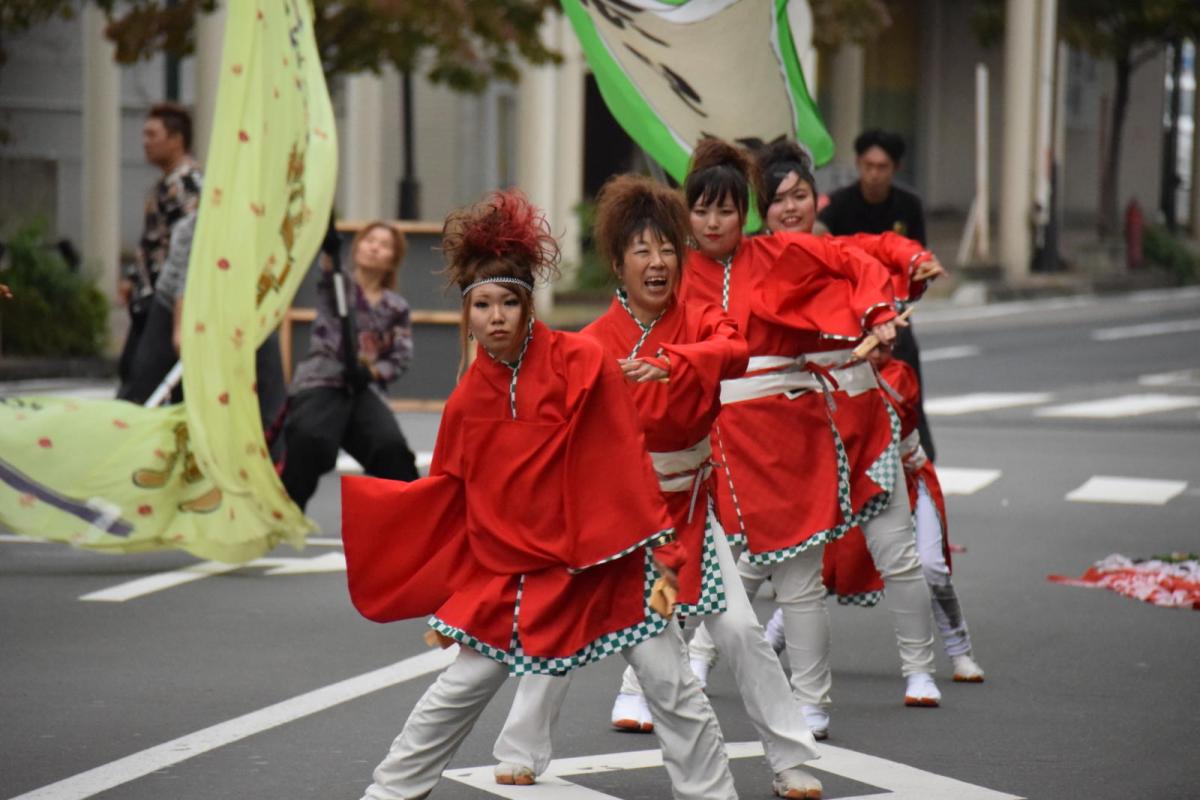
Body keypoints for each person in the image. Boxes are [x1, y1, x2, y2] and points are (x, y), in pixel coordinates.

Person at [340, 189, 739, 800]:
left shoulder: (581, 361)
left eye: (508, 302)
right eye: (482, 305)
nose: (495, 316)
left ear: (528, 307)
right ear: (467, 316)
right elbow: (453, 501)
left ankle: (713, 795)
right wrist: (452, 596)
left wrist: (662, 553)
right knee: (461, 685)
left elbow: (623, 465)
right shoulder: (467, 400)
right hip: (520, 572)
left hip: (611, 559)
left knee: (671, 683)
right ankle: (388, 793)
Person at [488, 176, 823, 799]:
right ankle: (520, 748)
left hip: (690, 509)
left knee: (742, 633)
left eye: (667, 248)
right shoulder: (590, 343)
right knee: (563, 621)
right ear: (617, 263)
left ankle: (791, 758)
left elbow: (736, 349)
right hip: (614, 512)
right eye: (641, 250)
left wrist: (673, 360)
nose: (658, 261)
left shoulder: (700, 317)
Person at [680, 138, 941, 742]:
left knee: (888, 555)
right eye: (779, 198)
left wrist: (890, 297)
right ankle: (671, 672)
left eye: (800, 195)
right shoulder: (679, 269)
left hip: (833, 422)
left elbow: (870, 256)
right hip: (718, 437)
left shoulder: (790, 255)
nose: (791, 206)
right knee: (712, 564)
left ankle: (911, 669)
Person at [823, 343, 986, 682]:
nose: (879, 347)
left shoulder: (899, 373)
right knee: (818, 573)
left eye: (884, 340)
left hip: (910, 479)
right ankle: (767, 645)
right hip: (861, 484)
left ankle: (960, 652)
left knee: (931, 567)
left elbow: (889, 412)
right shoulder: (837, 376)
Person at [279, 221, 419, 510]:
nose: (375, 247)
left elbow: (401, 355)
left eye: (384, 244)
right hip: (322, 382)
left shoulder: (396, 307)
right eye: (369, 240)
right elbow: (328, 268)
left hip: (363, 388)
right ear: (356, 248)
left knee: (390, 447)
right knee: (310, 440)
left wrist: (372, 371)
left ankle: (412, 513)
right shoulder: (338, 284)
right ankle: (285, 509)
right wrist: (329, 247)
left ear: (393, 259)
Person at [817, 129, 937, 460]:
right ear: (857, 163)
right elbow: (820, 246)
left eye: (881, 166)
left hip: (893, 311)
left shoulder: (908, 204)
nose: (873, 173)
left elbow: (916, 257)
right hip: (846, 312)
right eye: (867, 165)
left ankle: (917, 447)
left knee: (907, 364)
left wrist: (921, 271)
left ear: (895, 168)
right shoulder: (837, 204)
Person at [117, 102, 203, 395]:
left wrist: (179, 308)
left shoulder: (189, 184)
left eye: (153, 134)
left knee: (144, 381)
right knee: (136, 372)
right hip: (150, 295)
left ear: (177, 138)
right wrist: (133, 276)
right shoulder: (164, 184)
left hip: (169, 299)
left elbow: (187, 247)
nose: (146, 142)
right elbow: (153, 239)